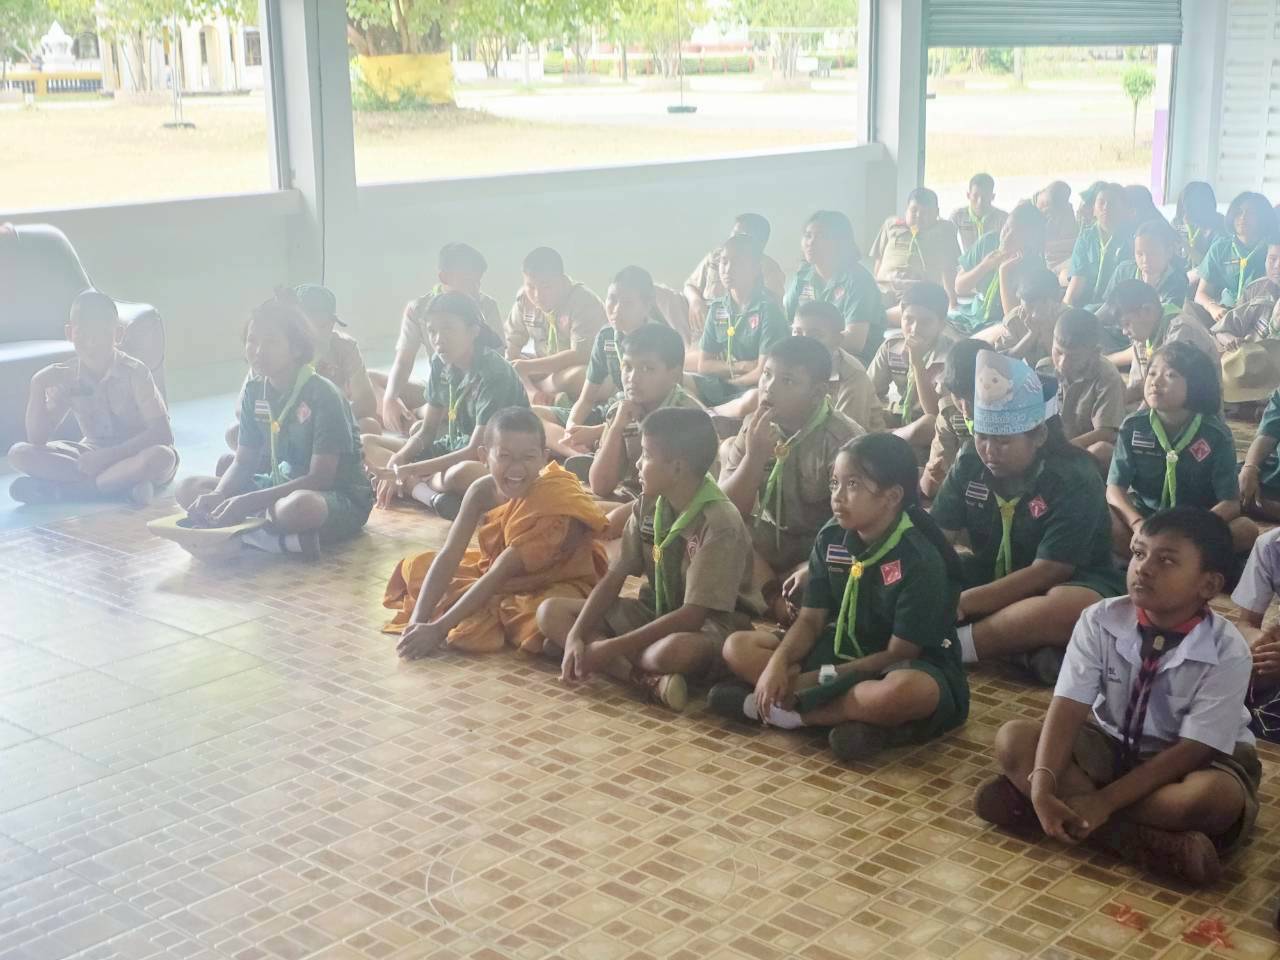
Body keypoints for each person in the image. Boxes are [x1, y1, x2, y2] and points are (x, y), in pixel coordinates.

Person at [976, 507, 1260, 886]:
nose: (1143, 568)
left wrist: (1104, 801)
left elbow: (1194, 749)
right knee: (1013, 739)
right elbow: (1067, 708)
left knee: (1211, 798)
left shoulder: (1228, 650)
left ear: (1208, 585)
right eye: (1139, 553)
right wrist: (1042, 784)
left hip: (1190, 762)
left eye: (1166, 560)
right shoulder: (1099, 619)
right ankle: (1135, 839)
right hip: (1110, 743)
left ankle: (1052, 809)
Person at [708, 433, 969, 762]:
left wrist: (818, 680)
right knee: (737, 646)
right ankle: (857, 723)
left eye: (853, 484)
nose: (838, 496)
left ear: (892, 497)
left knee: (905, 692)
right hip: (837, 648)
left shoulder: (920, 560)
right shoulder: (832, 536)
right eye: (834, 483)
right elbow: (810, 619)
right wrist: (778, 665)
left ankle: (789, 715)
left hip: (896, 665)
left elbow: (898, 653)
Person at [536, 407, 765, 711]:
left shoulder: (719, 522)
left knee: (669, 652)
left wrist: (607, 648)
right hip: (655, 611)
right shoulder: (648, 504)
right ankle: (642, 678)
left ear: (677, 468)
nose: (638, 465)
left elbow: (692, 616)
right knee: (550, 612)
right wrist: (577, 634)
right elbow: (614, 577)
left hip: (711, 627)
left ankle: (608, 660)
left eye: (646, 455)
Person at [931, 351, 1124, 684]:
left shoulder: (1073, 476)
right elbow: (937, 537)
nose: (989, 450)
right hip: (992, 575)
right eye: (982, 437)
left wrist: (962, 603)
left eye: (1003, 441)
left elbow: (1049, 570)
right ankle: (1020, 647)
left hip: (1064, 584)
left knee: (1071, 606)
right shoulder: (969, 460)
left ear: (1039, 436)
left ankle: (952, 648)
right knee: (919, 572)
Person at [383, 407, 609, 658]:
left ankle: (556, 637)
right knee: (418, 566)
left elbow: (500, 573)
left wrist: (438, 629)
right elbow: (450, 553)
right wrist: (417, 621)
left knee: (536, 614)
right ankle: (546, 638)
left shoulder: (554, 497)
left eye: (528, 457)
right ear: (484, 456)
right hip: (501, 577)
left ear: (544, 458)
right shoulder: (481, 491)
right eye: (505, 456)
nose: (517, 468)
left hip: (557, 582)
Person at [174, 294, 373, 558]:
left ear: (297, 348)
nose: (258, 350)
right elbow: (243, 461)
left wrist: (247, 502)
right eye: (252, 340)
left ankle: (251, 538)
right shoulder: (255, 390)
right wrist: (220, 495)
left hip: (334, 495)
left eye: (271, 341)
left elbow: (320, 478)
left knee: (299, 508)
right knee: (188, 488)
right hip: (279, 483)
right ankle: (280, 540)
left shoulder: (323, 394)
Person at [719, 336, 864, 624]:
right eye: (767, 374)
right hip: (768, 543)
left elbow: (858, 525)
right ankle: (776, 601)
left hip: (820, 546)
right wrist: (754, 457)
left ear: (817, 392)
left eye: (787, 381)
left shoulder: (844, 441)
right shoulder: (754, 426)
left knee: (837, 572)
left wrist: (814, 564)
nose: (769, 387)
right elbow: (727, 509)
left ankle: (766, 599)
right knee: (717, 532)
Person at [365, 292, 528, 520]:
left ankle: (418, 485)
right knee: (366, 443)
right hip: (454, 446)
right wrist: (399, 459)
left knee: (457, 474)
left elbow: (475, 450)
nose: (438, 339)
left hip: (495, 457)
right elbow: (427, 431)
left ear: (473, 331)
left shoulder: (495, 374)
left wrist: (409, 469)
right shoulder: (440, 363)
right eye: (432, 331)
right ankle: (431, 495)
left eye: (448, 329)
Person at [8, 290, 177, 506]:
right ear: (70, 333)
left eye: (102, 334)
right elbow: (37, 439)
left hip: (138, 452)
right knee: (19, 453)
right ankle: (121, 486)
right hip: (92, 453)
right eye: (83, 334)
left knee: (162, 457)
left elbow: (162, 434)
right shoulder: (66, 375)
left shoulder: (136, 372)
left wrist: (110, 456)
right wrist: (37, 385)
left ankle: (70, 491)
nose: (91, 343)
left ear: (118, 335)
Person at [1108, 341, 1258, 555]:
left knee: (1245, 529)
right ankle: (1175, 560)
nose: (1155, 382)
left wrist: (1188, 531)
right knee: (1102, 516)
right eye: (1152, 373)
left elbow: (1230, 502)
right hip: (1145, 518)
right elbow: (1115, 488)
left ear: (1196, 384)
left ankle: (1152, 556)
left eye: (1170, 375)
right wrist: (1137, 523)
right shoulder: (1133, 426)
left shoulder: (1216, 435)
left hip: (1195, 526)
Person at [584, 323, 707, 538]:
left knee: (598, 528)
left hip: (672, 512)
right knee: (564, 507)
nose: (632, 378)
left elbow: (683, 497)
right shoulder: (623, 410)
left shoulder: (687, 418)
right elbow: (600, 485)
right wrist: (616, 427)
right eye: (627, 367)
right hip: (630, 497)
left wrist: (618, 516)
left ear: (674, 375)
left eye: (647, 369)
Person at [377, 243, 505, 436]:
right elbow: (404, 361)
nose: (475, 289)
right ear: (444, 277)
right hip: (439, 386)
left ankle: (415, 418)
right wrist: (391, 398)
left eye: (478, 283)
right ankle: (405, 417)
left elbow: (499, 361)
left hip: (474, 390)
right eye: (468, 281)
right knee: (373, 380)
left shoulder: (485, 305)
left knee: (455, 405)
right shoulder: (418, 309)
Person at [547, 266, 666, 456]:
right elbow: (586, 399)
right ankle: (578, 453)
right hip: (612, 411)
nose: (616, 309)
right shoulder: (606, 337)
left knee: (640, 434)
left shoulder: (660, 340)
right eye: (612, 299)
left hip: (643, 419)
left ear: (647, 306)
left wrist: (595, 432)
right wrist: (572, 429)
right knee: (535, 414)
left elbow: (653, 409)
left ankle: (588, 455)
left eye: (627, 303)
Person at [689, 234, 789, 414]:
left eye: (738, 263)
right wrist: (741, 366)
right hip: (725, 383)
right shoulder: (718, 307)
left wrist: (731, 383)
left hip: (753, 388)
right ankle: (711, 413)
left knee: (753, 399)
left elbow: (762, 372)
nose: (728, 269)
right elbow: (704, 365)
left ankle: (709, 414)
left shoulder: (768, 310)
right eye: (724, 262)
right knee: (678, 381)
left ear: (755, 269)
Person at [504, 246, 607, 404]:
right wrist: (517, 366)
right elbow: (511, 344)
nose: (537, 295)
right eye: (530, 286)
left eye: (546, 286)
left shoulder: (583, 301)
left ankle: (532, 392)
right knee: (503, 366)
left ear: (562, 280)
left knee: (584, 376)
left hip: (573, 369)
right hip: (542, 368)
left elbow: (581, 354)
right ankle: (534, 394)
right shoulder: (523, 300)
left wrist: (527, 368)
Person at [783, 210, 887, 366]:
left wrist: (805, 346)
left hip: (852, 359)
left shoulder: (858, 280)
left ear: (840, 242)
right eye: (808, 235)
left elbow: (855, 341)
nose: (811, 242)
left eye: (822, 236)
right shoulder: (803, 275)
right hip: (808, 353)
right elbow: (787, 321)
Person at [1038, 309, 1125, 473]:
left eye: (1074, 357)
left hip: (1084, 448)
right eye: (1058, 352)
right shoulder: (1044, 369)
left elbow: (1106, 431)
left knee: (1101, 450)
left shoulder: (1107, 377)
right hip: (1053, 446)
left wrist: (1063, 449)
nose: (1062, 363)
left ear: (1095, 353)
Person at [867, 281, 951, 451]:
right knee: (860, 410)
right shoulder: (892, 347)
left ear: (941, 325)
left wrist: (917, 362)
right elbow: (869, 391)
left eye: (925, 322)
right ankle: (889, 438)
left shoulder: (950, 356)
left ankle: (885, 439)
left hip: (927, 423)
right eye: (909, 319)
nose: (915, 329)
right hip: (900, 418)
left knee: (931, 423)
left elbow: (933, 411)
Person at [1107, 279, 1217, 405]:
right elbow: (1138, 386)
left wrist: (1135, 415)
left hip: (1191, 410)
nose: (1124, 332)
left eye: (1127, 324)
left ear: (1147, 310)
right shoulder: (1143, 335)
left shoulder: (1181, 329)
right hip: (1160, 405)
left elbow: (1165, 387)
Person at [287, 285, 380, 434]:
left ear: (333, 322)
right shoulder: (277, 348)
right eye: (307, 327)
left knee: (370, 426)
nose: (315, 334)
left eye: (323, 325)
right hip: (288, 425)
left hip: (330, 422)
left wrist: (325, 421)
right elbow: (250, 408)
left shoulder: (345, 346)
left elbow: (366, 402)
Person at [952, 201, 1048, 335]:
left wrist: (1004, 272)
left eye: (1016, 236)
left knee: (1004, 333)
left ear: (1029, 241)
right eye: (1006, 229)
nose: (1006, 239)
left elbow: (1013, 320)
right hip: (972, 316)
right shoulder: (988, 241)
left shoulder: (1033, 266)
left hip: (1001, 323)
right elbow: (959, 287)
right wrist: (985, 265)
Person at [684, 213, 786, 333]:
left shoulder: (769, 268)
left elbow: (773, 308)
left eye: (741, 235)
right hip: (703, 319)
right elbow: (690, 286)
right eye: (734, 232)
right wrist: (695, 301)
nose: (733, 238)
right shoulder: (716, 256)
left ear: (760, 244)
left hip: (740, 326)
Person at [793, 300, 883, 431]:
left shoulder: (852, 376)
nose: (804, 342)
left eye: (816, 335)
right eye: (797, 333)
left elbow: (846, 434)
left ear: (837, 340)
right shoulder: (786, 364)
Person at [869, 188, 961, 313]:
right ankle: (881, 315)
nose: (918, 216)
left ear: (937, 213)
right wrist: (874, 285)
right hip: (885, 287)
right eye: (914, 210)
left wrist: (952, 302)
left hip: (918, 291)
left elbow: (948, 268)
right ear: (906, 210)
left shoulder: (943, 231)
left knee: (913, 310)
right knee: (861, 300)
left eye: (926, 212)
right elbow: (879, 259)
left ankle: (882, 316)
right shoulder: (891, 225)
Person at [1195, 191, 1280, 321]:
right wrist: (1213, 308)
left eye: (1251, 213)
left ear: (1263, 218)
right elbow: (1201, 293)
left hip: (1261, 315)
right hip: (1225, 314)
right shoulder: (1221, 248)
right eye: (1239, 212)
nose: (1243, 217)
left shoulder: (1272, 249)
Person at [921, 338, 983, 501]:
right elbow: (928, 490)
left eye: (973, 398)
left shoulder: (1014, 413)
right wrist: (933, 475)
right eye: (958, 396)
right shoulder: (950, 414)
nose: (966, 409)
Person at [979, 266, 1066, 367]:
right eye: (1029, 307)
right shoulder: (1015, 319)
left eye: (1043, 306)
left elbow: (1066, 364)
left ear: (1057, 301)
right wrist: (1031, 334)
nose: (1034, 314)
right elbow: (1003, 362)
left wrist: (1046, 331)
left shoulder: (1067, 318)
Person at [1065, 183, 1133, 308]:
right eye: (1101, 203)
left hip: (1117, 307)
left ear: (1124, 210)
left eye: (1112, 203)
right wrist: (1066, 309)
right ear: (1094, 210)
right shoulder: (1086, 238)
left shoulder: (1132, 239)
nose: (1106, 207)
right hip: (1085, 306)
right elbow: (1076, 283)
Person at [1212, 237, 1280, 347]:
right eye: (1272, 259)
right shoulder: (1257, 289)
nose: (1277, 266)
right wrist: (1234, 342)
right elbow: (1221, 330)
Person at [1236, 382, 1280, 522]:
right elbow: (1266, 436)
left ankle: (1251, 503)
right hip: (1275, 474)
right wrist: (1250, 468)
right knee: (1225, 476)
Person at [1172, 181, 1227, 282]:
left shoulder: (1220, 229)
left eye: (1190, 210)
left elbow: (1210, 266)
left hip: (1207, 279)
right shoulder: (1178, 223)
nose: (1186, 216)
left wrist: (1187, 246)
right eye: (1183, 209)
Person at [950, 173, 1008, 255]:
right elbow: (946, 238)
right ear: (968, 195)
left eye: (985, 196)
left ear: (993, 197)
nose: (979, 202)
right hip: (968, 262)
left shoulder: (1003, 218)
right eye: (975, 196)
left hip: (995, 261)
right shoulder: (958, 216)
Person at [1036, 181, 1079, 279]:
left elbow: (1075, 241)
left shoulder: (1066, 209)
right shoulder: (1030, 212)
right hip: (1054, 264)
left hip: (1069, 258)